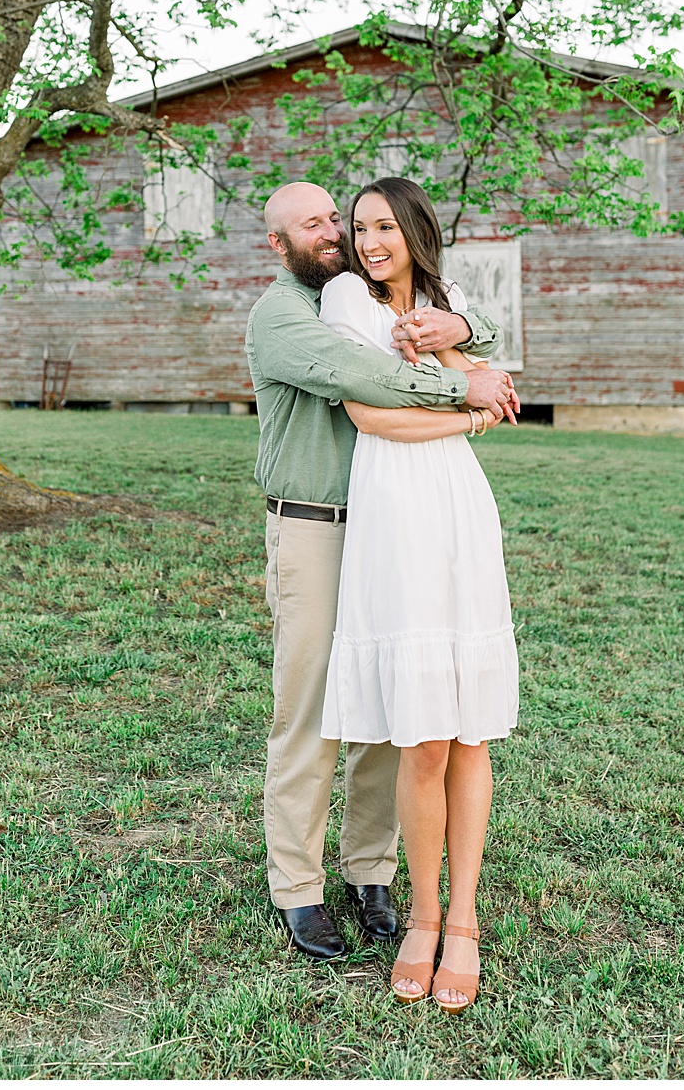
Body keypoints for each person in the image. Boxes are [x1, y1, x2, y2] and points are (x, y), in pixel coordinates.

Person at [244, 181, 517, 964]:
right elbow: (364, 380)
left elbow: (465, 319)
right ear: (278, 244)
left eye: (338, 217)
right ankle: (297, 887)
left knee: (383, 705)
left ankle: (371, 873)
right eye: (315, 225)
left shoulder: (368, 292)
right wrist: (467, 391)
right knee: (310, 714)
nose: (335, 233)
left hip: (385, 527)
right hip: (314, 527)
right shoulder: (285, 314)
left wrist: (464, 326)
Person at [318, 178, 520, 1012]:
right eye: (359, 227)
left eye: (385, 228)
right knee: (424, 739)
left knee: (470, 733)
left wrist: (457, 339)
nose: (370, 243)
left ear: (415, 231)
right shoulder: (345, 300)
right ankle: (423, 916)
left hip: (460, 509)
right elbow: (373, 415)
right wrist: (467, 409)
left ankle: (463, 920)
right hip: (394, 515)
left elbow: (493, 381)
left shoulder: (450, 301)